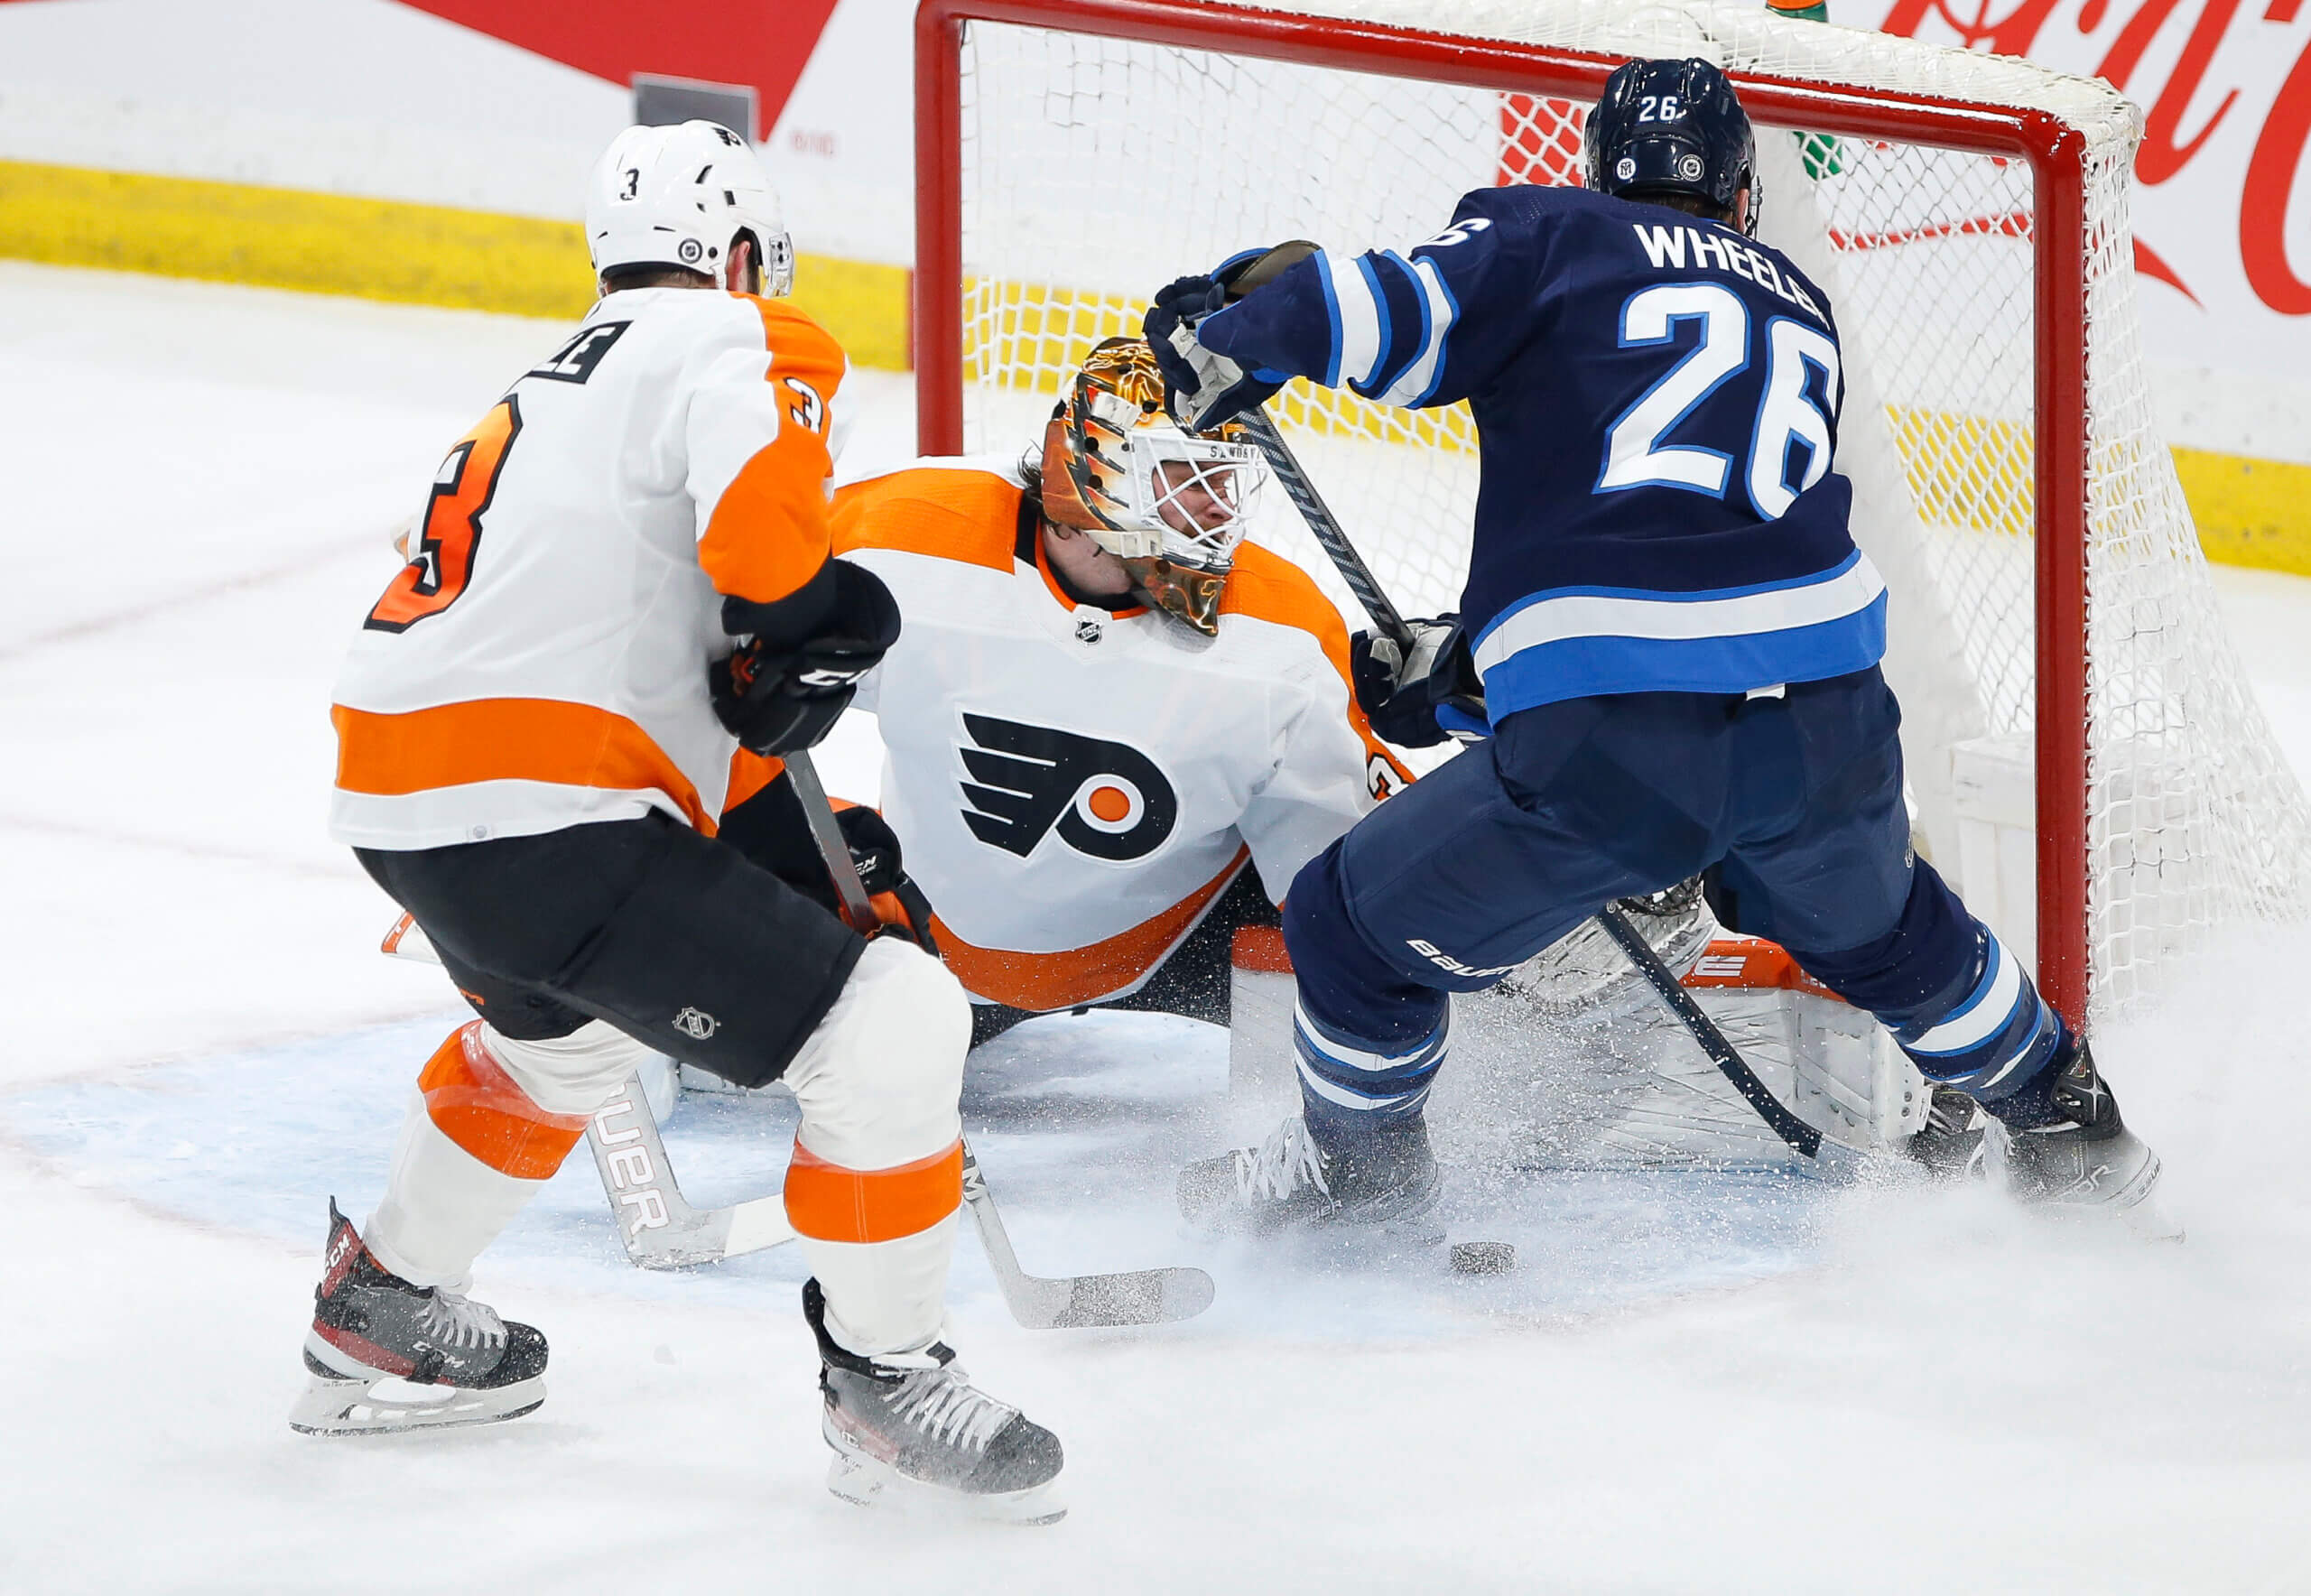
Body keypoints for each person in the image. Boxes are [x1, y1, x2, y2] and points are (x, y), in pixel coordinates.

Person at [1142, 58, 2167, 1235]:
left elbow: (1374, 313)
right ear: (1743, 198)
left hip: (1617, 751)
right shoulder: (1799, 304)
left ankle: (1356, 1190)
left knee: (1345, 931)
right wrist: (1475, 677)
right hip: (1828, 726)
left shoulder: (1552, 236)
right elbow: (1695, 553)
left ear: (1602, 176)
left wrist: (1234, 325)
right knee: (1887, 930)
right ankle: (2069, 1118)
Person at [302, 119, 1064, 1521]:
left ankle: (388, 1304)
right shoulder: (728, 341)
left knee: (565, 1045)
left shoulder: (543, 388)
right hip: (546, 809)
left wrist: (781, 795)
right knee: (893, 1021)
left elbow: (679, 679)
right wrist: (821, 623)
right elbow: (768, 569)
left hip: (402, 792)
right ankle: (884, 1384)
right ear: (731, 257)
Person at [712, 336, 1408, 1050]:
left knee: (1403, 937)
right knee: (693, 925)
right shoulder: (901, 539)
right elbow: (691, 661)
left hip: (1186, 938)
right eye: (1184, 479)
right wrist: (773, 830)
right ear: (1094, 476)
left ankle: (1341, 1140)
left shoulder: (1283, 633)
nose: (1217, 512)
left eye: (1223, 483)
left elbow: (1352, 871)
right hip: (927, 941)